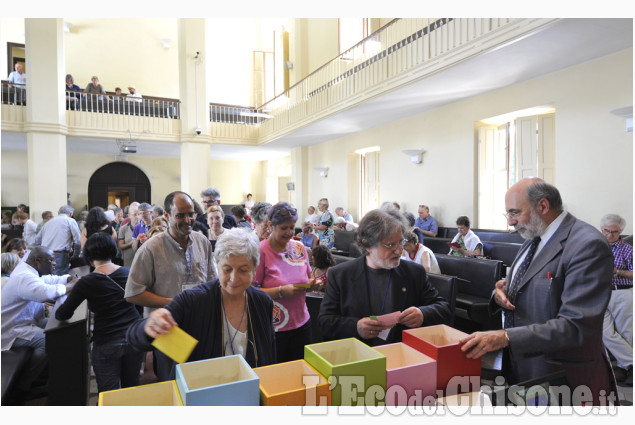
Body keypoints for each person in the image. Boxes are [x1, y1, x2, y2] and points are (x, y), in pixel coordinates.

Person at [459, 178, 617, 406]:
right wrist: (501, 293)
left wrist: (505, 337)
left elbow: (576, 325)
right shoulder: (534, 237)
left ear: (543, 206)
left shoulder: (587, 244)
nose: (511, 222)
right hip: (525, 367)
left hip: (562, 374)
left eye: (514, 213)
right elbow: (529, 284)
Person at [126, 228, 276, 381]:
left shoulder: (262, 302)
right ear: (217, 266)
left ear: (255, 270)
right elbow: (133, 336)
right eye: (227, 269)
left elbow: (269, 354)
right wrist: (150, 325)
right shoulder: (193, 301)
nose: (234, 278)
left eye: (243, 270)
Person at [318, 206, 451, 346]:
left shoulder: (414, 273)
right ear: (367, 244)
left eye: (401, 242)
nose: (400, 251)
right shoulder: (340, 275)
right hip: (359, 356)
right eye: (390, 245)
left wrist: (422, 313)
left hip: (402, 355)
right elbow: (325, 321)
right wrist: (355, 326)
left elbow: (444, 309)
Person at [55, 233, 143, 392]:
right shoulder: (129, 272)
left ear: (88, 254)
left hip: (107, 340)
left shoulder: (86, 282)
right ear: (113, 249)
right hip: (134, 337)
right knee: (133, 389)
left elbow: (63, 314)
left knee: (108, 392)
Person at [1, 246, 76, 394]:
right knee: (49, 340)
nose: (54, 264)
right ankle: (25, 385)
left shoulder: (29, 270)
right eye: (50, 261)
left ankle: (46, 374)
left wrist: (67, 278)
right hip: (10, 329)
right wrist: (70, 285)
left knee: (59, 329)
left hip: (24, 322)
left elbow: (47, 280)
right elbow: (45, 293)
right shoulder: (24, 276)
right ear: (38, 261)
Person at [125, 191, 216, 311]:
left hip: (199, 321)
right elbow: (133, 294)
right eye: (181, 216)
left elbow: (212, 281)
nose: (188, 220)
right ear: (167, 216)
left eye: (191, 214)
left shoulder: (202, 242)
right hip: (166, 325)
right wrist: (175, 302)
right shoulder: (150, 249)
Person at [254, 202, 322, 362]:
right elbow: (252, 292)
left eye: (292, 227)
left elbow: (308, 276)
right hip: (274, 327)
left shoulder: (299, 248)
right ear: (271, 225)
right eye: (284, 228)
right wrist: (280, 291)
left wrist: (313, 283)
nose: (290, 232)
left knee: (300, 371)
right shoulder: (260, 251)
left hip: (302, 322)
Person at [599, 213, 633, 386]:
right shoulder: (595, 247)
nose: (610, 235)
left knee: (626, 332)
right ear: (601, 228)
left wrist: (617, 271)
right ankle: (631, 363)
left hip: (621, 293)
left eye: (615, 232)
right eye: (607, 231)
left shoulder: (627, 249)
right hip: (600, 293)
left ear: (621, 232)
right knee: (605, 333)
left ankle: (624, 367)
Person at [34, 205, 81, 275]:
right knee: (59, 280)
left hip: (44, 255)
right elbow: (77, 241)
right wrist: (76, 255)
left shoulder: (48, 222)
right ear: (71, 214)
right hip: (59, 255)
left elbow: (37, 240)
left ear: (58, 213)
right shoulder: (70, 221)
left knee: (47, 279)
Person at [117, 203, 139, 268]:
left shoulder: (145, 227)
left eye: (139, 214)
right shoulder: (123, 229)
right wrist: (131, 243)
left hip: (143, 263)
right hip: (129, 263)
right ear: (129, 216)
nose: (137, 216)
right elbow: (120, 246)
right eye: (135, 214)